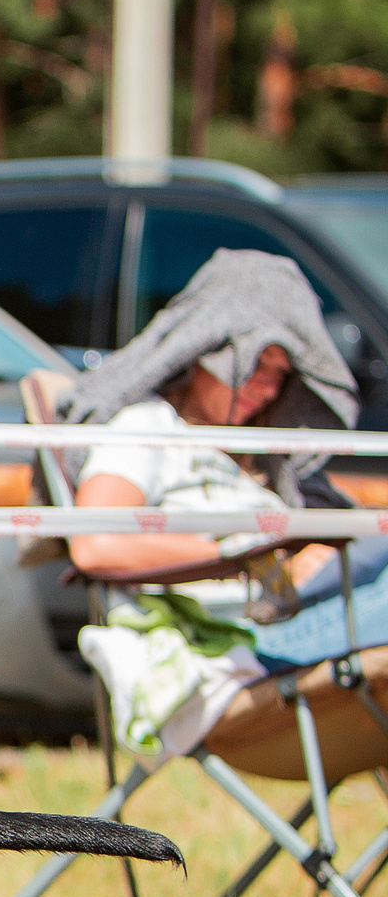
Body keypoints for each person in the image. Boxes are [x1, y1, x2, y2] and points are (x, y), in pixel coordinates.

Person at [62, 249, 371, 663]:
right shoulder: (150, 427)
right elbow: (95, 545)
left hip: (302, 614)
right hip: (232, 641)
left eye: (280, 374)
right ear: (205, 350)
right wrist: (249, 559)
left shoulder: (258, 453)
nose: (267, 389)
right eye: (256, 364)